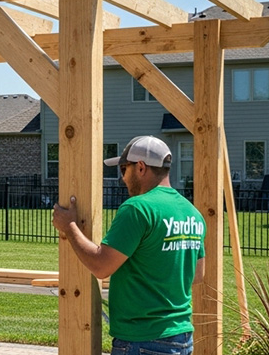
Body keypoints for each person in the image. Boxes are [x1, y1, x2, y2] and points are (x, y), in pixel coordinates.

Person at [51, 135, 206, 355]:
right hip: (181, 338)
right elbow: (197, 275)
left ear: (141, 167)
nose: (122, 178)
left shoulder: (137, 208)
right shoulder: (192, 213)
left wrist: (70, 227)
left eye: (124, 169)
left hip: (143, 340)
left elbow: (101, 266)